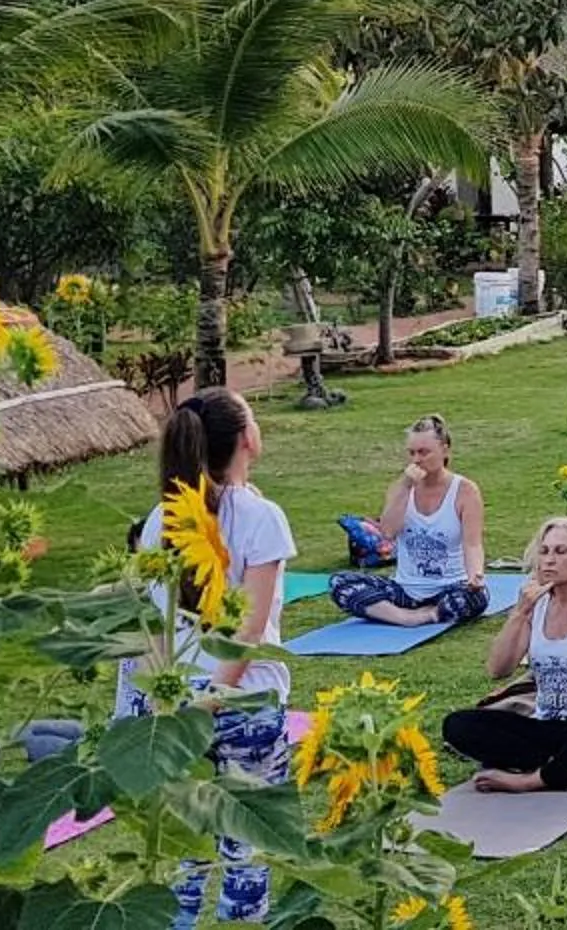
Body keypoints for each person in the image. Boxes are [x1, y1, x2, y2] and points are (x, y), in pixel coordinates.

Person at [134, 389, 293, 929]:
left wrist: (173, 705)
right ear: (247, 438)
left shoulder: (159, 519)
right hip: (243, 702)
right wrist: (213, 701)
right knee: (246, 847)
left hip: (177, 709)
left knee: (186, 846)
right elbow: (249, 630)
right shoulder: (262, 518)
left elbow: (153, 626)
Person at [442, 518, 567, 793]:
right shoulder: (537, 606)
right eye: (544, 551)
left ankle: (532, 780)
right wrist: (520, 611)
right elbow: (498, 668)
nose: (549, 560)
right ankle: (563, 765)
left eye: (561, 551)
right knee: (458, 724)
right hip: (548, 727)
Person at [327, 415, 487, 627]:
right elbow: (388, 532)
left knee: (476, 598)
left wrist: (475, 575)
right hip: (405, 589)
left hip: (450, 587)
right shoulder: (400, 488)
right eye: (411, 453)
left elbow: (472, 543)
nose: (416, 460)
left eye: (424, 452)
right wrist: (405, 487)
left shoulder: (465, 490)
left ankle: (432, 613)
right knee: (339, 583)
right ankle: (405, 617)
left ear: (444, 450)